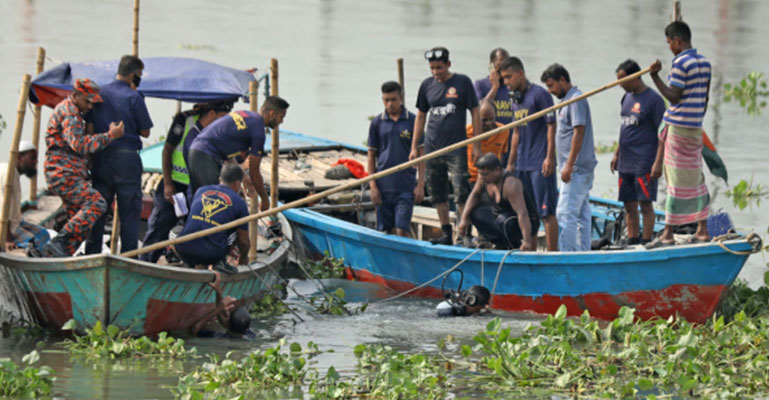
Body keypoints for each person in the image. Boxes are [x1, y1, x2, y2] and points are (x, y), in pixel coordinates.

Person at [139, 101, 233, 263]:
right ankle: (145, 264)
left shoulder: (220, 130)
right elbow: (167, 150)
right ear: (211, 113)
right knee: (159, 228)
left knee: (198, 230)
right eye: (221, 117)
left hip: (199, 188)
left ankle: (193, 266)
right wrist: (168, 183)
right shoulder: (185, 121)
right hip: (175, 185)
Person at [42, 78, 125, 257]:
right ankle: (58, 243)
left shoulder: (75, 112)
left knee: (80, 222)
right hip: (63, 173)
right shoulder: (69, 113)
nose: (89, 106)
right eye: (87, 101)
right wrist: (110, 135)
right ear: (75, 95)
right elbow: (79, 144)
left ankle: (59, 255)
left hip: (71, 173)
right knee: (97, 204)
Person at [648, 21, 712, 246]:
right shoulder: (705, 63)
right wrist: (694, 117)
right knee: (696, 177)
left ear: (678, 40)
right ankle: (702, 229)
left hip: (678, 129)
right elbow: (704, 100)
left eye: (669, 43)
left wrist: (654, 76)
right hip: (695, 128)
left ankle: (668, 232)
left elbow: (674, 96)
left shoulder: (681, 62)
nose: (669, 48)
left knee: (674, 180)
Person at [409, 47, 482, 245]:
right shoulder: (426, 86)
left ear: (448, 64)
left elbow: (475, 111)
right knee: (437, 192)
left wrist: (476, 144)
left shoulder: (462, 82)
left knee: (461, 192)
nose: (435, 72)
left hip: (456, 149)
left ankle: (463, 233)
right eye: (432, 68)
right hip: (433, 148)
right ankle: (446, 232)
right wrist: (415, 146)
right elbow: (421, 116)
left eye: (439, 68)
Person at [85, 55, 153, 255]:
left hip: (101, 156)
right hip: (127, 159)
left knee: (98, 209)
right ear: (133, 75)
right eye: (139, 75)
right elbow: (146, 132)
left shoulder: (99, 94)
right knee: (130, 212)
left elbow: (89, 128)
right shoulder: (134, 97)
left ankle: (91, 254)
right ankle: (128, 257)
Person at [187, 96, 289, 211]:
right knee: (212, 203)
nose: (282, 121)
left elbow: (227, 152)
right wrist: (265, 200)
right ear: (272, 114)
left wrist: (244, 177)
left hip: (197, 150)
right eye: (281, 117)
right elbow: (254, 172)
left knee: (203, 202)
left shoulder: (247, 115)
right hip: (205, 155)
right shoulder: (258, 131)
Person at [500, 56, 559, 251]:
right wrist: (510, 162)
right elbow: (515, 132)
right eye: (503, 79)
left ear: (520, 74)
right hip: (522, 165)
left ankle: (552, 255)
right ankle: (531, 252)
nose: (506, 82)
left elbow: (551, 127)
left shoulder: (540, 95)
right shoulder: (514, 99)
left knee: (546, 213)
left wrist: (549, 157)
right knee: (526, 213)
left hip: (539, 163)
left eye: (509, 77)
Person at [541, 64, 597, 252]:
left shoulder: (575, 99)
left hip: (576, 169)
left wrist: (569, 165)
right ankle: (584, 252)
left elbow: (578, 132)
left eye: (551, 86)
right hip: (576, 168)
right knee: (581, 214)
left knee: (565, 214)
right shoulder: (567, 100)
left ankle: (568, 254)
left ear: (562, 80)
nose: (550, 91)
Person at [610, 59, 666, 245]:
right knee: (628, 204)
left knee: (645, 204)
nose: (620, 85)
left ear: (635, 77)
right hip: (626, 161)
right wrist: (617, 154)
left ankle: (647, 241)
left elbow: (663, 133)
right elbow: (624, 128)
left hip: (644, 161)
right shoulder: (626, 98)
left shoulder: (654, 100)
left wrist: (658, 162)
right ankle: (633, 240)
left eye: (623, 81)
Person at [367, 81, 425, 237]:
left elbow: (422, 155)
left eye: (393, 99)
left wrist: (420, 185)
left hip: (405, 186)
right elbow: (371, 157)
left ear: (401, 98)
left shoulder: (413, 121)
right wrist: (373, 185)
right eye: (386, 100)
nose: (390, 103)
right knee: (387, 230)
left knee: (402, 230)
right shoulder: (377, 123)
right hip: (383, 186)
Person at [174, 163, 250, 271]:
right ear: (237, 184)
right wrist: (243, 259)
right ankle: (220, 262)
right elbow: (244, 243)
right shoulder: (240, 203)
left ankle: (191, 265)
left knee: (175, 232)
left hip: (184, 249)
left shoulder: (201, 190)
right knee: (236, 231)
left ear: (220, 179)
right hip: (213, 255)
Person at [458, 153, 538, 251]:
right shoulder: (483, 178)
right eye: (480, 174)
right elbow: (474, 195)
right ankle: (501, 244)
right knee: (475, 213)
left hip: (526, 222)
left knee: (504, 220)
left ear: (497, 170)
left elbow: (523, 214)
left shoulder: (511, 184)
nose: (482, 177)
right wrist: (464, 219)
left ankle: (514, 247)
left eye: (485, 174)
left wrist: (527, 242)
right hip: (501, 218)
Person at [0, 141, 50, 253]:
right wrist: (6, 239)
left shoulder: (14, 173)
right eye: (32, 158)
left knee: (44, 234)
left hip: (16, 222)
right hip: (5, 226)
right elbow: (3, 209)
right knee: (34, 243)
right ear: (19, 157)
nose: (35, 162)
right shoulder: (8, 174)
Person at [189, 270, 255, 339]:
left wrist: (218, 309)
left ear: (227, 323)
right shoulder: (251, 335)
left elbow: (194, 330)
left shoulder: (219, 337)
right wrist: (218, 291)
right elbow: (226, 322)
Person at [465, 102, 509, 185]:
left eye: (491, 119)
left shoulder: (504, 131)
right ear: (476, 118)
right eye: (484, 120)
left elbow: (503, 153)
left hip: (494, 180)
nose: (489, 123)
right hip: (472, 179)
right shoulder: (466, 133)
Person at [474, 48, 513, 126]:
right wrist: (495, 87)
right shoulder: (480, 85)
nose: (504, 68)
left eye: (507, 64)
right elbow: (480, 111)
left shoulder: (513, 85)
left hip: (510, 135)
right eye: (500, 65)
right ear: (491, 65)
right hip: (491, 135)